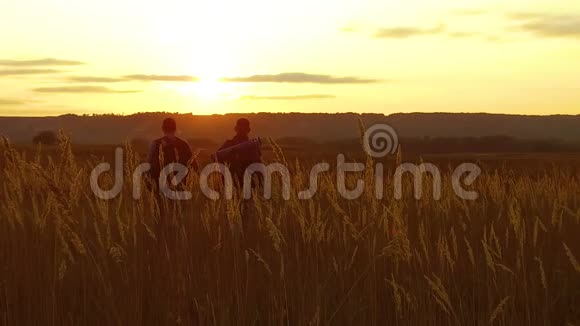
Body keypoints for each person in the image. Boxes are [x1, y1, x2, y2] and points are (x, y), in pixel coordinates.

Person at [148, 118, 197, 189]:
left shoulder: (155, 144)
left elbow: (150, 166)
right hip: (181, 187)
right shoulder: (184, 145)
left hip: (160, 188)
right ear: (175, 129)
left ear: (163, 129)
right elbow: (194, 167)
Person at [217, 118, 262, 187]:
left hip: (232, 183)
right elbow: (258, 166)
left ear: (235, 129)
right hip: (248, 184)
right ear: (249, 130)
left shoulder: (228, 144)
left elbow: (218, 159)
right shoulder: (253, 146)